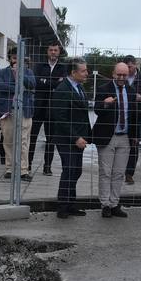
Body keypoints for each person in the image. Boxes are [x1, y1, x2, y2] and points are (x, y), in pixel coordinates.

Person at [93, 62, 138, 217]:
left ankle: (115, 204)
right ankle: (105, 204)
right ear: (113, 74)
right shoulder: (103, 89)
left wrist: (135, 136)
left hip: (124, 137)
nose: (121, 78)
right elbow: (96, 109)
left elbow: (134, 116)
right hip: (107, 136)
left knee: (119, 173)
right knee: (105, 172)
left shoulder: (131, 92)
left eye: (124, 75)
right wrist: (105, 104)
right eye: (119, 74)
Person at [51, 58, 92, 218]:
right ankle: (62, 206)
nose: (86, 73)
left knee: (76, 170)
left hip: (79, 138)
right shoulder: (63, 89)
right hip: (66, 138)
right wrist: (75, 138)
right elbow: (60, 117)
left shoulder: (79, 87)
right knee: (69, 170)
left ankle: (71, 204)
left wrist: (86, 136)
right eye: (83, 71)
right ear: (73, 72)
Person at [0, 48, 36, 181]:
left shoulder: (28, 72)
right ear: (10, 59)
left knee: (23, 141)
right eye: (14, 58)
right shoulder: (2, 72)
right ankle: (9, 168)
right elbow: (0, 86)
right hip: (7, 111)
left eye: (19, 59)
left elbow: (32, 85)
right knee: (8, 140)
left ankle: (23, 170)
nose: (16, 61)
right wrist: (18, 89)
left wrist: (20, 74)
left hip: (25, 111)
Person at [30, 42, 69, 176]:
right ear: (47, 51)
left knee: (50, 140)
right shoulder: (39, 65)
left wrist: (45, 81)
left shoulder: (63, 67)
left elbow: (62, 84)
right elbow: (36, 81)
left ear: (59, 52)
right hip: (38, 107)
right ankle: (28, 165)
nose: (53, 52)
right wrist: (52, 83)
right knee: (32, 137)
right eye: (51, 50)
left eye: (55, 50)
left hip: (53, 109)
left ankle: (47, 167)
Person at [123, 56, 141, 184]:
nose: (128, 69)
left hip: (138, 115)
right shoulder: (121, 77)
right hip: (123, 115)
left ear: (135, 65)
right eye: (126, 66)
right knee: (121, 143)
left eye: (130, 66)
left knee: (134, 143)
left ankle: (129, 173)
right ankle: (120, 170)